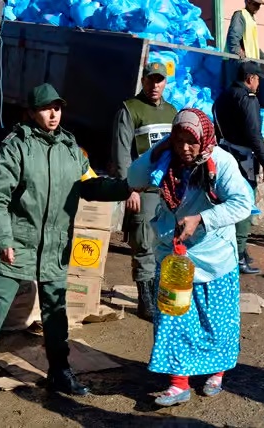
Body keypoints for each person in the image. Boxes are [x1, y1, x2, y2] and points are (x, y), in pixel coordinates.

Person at [0, 83, 132, 403]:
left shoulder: (71, 148)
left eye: (58, 108)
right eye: (46, 108)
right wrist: (3, 239)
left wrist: (127, 187)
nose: (53, 114)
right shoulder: (17, 146)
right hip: (18, 243)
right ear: (31, 112)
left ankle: (59, 372)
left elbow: (91, 186)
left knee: (55, 312)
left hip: (54, 245)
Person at [127, 108, 253, 406]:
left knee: (216, 322)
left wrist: (203, 218)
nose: (184, 148)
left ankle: (216, 373)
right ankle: (178, 383)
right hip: (173, 255)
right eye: (178, 140)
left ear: (204, 139)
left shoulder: (221, 162)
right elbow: (134, 177)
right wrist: (159, 149)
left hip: (214, 257)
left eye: (191, 141)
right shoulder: (166, 159)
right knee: (173, 317)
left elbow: (243, 203)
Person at [112, 62, 177, 321]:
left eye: (159, 80)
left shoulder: (172, 112)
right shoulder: (130, 109)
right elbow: (121, 154)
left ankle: (160, 294)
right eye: (150, 80)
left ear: (165, 83)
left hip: (168, 191)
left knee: (167, 243)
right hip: (143, 190)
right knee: (144, 244)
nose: (155, 85)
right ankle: (145, 301)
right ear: (143, 81)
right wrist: (129, 189)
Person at [213, 61, 264, 274]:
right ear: (250, 79)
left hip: (224, 154)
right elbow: (254, 133)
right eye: (258, 80)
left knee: (225, 200)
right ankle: (238, 255)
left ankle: (234, 250)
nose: (259, 85)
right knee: (243, 203)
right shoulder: (248, 99)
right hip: (243, 159)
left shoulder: (223, 96)